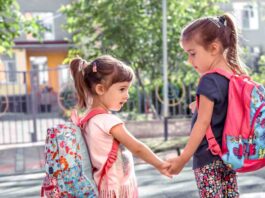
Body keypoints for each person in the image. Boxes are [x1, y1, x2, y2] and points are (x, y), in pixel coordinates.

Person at [168, 13, 247, 197]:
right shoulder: (233, 76)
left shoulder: (208, 81)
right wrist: (198, 106)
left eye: (192, 53)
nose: (190, 61)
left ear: (213, 48)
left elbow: (201, 125)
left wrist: (182, 158)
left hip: (207, 158)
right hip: (228, 156)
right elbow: (226, 110)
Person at [70, 55, 171, 198]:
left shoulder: (88, 120)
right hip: (115, 189)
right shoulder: (107, 121)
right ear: (100, 89)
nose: (127, 95)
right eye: (122, 89)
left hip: (104, 187)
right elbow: (137, 147)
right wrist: (160, 164)